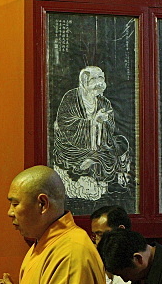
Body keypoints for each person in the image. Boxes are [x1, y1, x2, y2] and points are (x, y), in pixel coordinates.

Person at [51, 65, 131, 201]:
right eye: (94, 79)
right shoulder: (71, 98)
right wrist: (93, 122)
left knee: (121, 142)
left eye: (101, 78)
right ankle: (87, 166)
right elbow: (66, 124)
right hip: (73, 145)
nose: (99, 82)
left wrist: (103, 122)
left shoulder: (103, 101)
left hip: (100, 143)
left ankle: (92, 161)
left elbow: (110, 127)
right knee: (102, 158)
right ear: (84, 82)